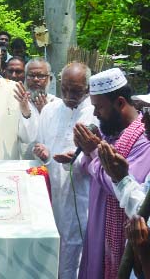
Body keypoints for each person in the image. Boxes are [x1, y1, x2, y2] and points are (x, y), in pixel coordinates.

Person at [71, 68, 150, 279]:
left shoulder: (143, 140)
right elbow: (94, 169)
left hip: (123, 234)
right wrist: (86, 153)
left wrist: (93, 152)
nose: (95, 114)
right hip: (98, 225)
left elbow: (122, 185)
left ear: (120, 103)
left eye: (99, 107)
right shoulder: (109, 130)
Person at [32, 62, 97, 279]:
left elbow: (99, 158)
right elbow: (40, 145)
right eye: (65, 89)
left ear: (87, 89)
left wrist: (77, 160)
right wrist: (43, 153)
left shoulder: (95, 114)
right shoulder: (50, 109)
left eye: (76, 90)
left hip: (81, 195)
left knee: (77, 247)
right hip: (53, 193)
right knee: (53, 243)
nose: (69, 95)